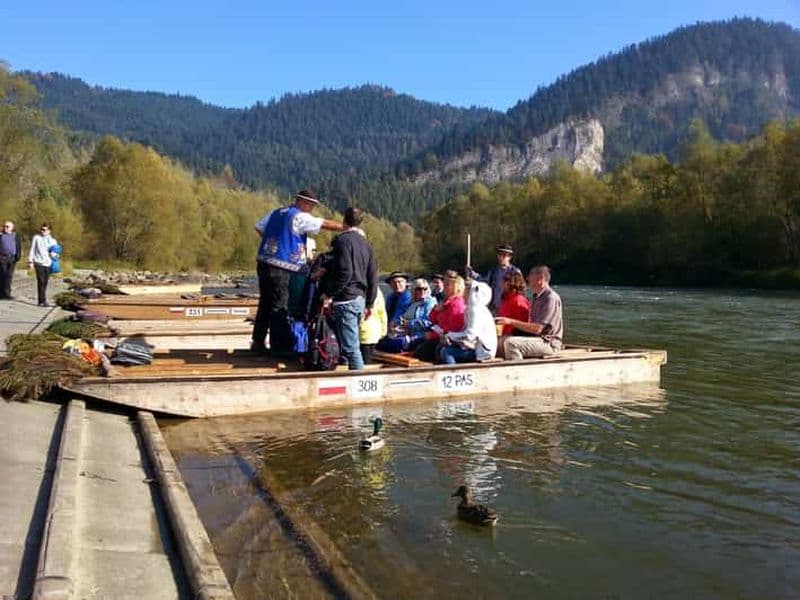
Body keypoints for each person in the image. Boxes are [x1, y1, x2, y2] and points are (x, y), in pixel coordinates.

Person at [251, 189, 342, 355]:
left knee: (265, 303)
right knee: (280, 305)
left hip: (263, 261)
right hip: (282, 266)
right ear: (306, 203)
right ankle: (279, 347)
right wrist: (347, 227)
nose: (312, 209)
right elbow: (323, 224)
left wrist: (274, 242)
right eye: (312, 206)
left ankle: (258, 342)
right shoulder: (298, 216)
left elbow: (259, 227)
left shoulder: (276, 212)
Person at [326, 207, 378, 371]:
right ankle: (349, 373)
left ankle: (359, 381)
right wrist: (369, 303)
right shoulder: (367, 245)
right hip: (360, 299)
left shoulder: (342, 241)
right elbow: (372, 277)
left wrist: (329, 293)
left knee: (350, 347)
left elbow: (345, 272)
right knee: (348, 342)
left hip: (346, 298)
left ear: (344, 221)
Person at [496, 265, 563, 359]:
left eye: (531, 275)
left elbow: (539, 329)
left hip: (548, 343)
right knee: (499, 341)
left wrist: (510, 321)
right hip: (536, 339)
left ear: (541, 278)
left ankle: (518, 371)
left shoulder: (550, 298)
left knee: (510, 343)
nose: (527, 278)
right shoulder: (537, 297)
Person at [411, 270, 466, 361]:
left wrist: (433, 335)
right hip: (439, 335)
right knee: (414, 344)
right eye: (445, 283)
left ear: (456, 287)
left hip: (449, 340)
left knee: (422, 350)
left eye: (448, 284)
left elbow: (453, 329)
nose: (444, 287)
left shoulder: (457, 305)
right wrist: (436, 310)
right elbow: (432, 319)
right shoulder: (445, 302)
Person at [438, 280, 497, 364]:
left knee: (446, 352)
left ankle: (453, 373)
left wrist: (450, 335)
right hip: (477, 347)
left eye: (466, 291)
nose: (464, 294)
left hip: (483, 352)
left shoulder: (475, 310)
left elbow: (470, 336)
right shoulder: (476, 309)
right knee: (443, 347)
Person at [377, 278, 436, 353]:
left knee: (391, 345)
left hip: (418, 336)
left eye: (425, 289)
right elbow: (403, 318)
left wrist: (409, 323)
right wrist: (395, 324)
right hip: (403, 333)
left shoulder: (430, 303)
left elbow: (429, 322)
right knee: (380, 343)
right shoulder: (412, 304)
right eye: (419, 289)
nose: (422, 291)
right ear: (414, 290)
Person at [467, 243, 522, 313]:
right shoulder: (494, 271)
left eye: (504, 255)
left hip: (509, 308)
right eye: (499, 255)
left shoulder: (515, 272)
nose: (501, 257)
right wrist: (471, 273)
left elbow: (521, 290)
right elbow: (484, 281)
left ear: (509, 257)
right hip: (494, 308)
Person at [28, 223, 58, 307]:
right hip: (39, 262)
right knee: (41, 281)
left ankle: (42, 298)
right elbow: (32, 249)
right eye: (41, 229)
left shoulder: (53, 241)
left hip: (48, 263)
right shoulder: (37, 238)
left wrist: (55, 255)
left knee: (45, 282)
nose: (42, 231)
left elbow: (56, 252)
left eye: (44, 230)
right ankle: (42, 300)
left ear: (49, 231)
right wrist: (30, 261)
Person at [359, 286, 387, 364]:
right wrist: (383, 330)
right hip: (374, 332)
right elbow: (382, 312)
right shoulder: (377, 290)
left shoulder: (359, 289)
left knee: (364, 361)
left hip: (363, 333)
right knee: (368, 360)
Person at [0, 221, 22, 300]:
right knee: (2, 275)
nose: (5, 228)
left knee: (9, 276)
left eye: (7, 226)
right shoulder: (1, 235)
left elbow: (18, 246)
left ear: (12, 228)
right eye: (4, 226)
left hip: (12, 258)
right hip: (2, 257)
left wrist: (18, 256)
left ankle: (7, 293)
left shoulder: (15, 235)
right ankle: (1, 293)